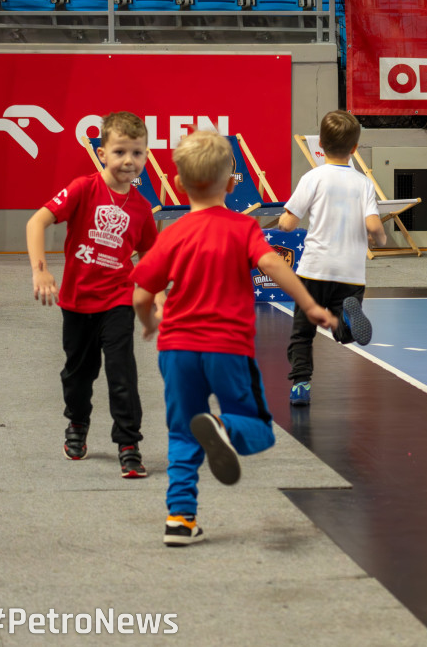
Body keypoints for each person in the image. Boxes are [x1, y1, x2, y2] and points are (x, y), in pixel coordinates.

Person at [131, 130, 340, 547]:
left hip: (176, 350)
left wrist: (151, 321)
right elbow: (274, 266)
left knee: (181, 432)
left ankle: (180, 519)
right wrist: (310, 305)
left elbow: (141, 293)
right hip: (228, 348)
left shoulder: (169, 233)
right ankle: (225, 428)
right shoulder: (242, 227)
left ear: (176, 184)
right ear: (231, 183)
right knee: (258, 428)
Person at [26, 111, 158, 478]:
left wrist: (154, 296)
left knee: (123, 374)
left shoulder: (142, 208)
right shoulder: (84, 188)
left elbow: (150, 256)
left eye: (137, 152)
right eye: (119, 152)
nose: (129, 161)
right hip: (77, 301)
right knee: (78, 375)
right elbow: (36, 221)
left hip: (117, 300)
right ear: (102, 153)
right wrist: (41, 271)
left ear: (146, 156)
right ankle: (78, 422)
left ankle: (129, 443)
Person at [278, 110, 386, 406]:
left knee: (302, 332)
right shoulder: (363, 182)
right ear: (354, 148)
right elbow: (374, 226)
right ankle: (348, 325)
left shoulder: (313, 177)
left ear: (320, 146)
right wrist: (382, 239)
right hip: (351, 273)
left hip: (314, 269)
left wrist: (282, 223)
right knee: (343, 333)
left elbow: (287, 224)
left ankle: (301, 384)